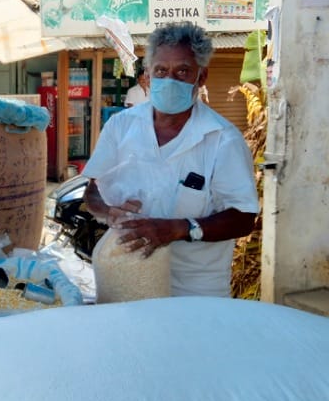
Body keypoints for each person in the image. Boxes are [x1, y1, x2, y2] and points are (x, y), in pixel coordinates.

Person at [81, 22, 259, 297]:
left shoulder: (223, 140)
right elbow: (93, 191)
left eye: (183, 71)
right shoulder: (121, 126)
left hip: (195, 288)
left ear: (201, 77)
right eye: (161, 71)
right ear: (148, 76)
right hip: (128, 275)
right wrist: (108, 211)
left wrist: (179, 229)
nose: (170, 79)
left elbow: (244, 217)